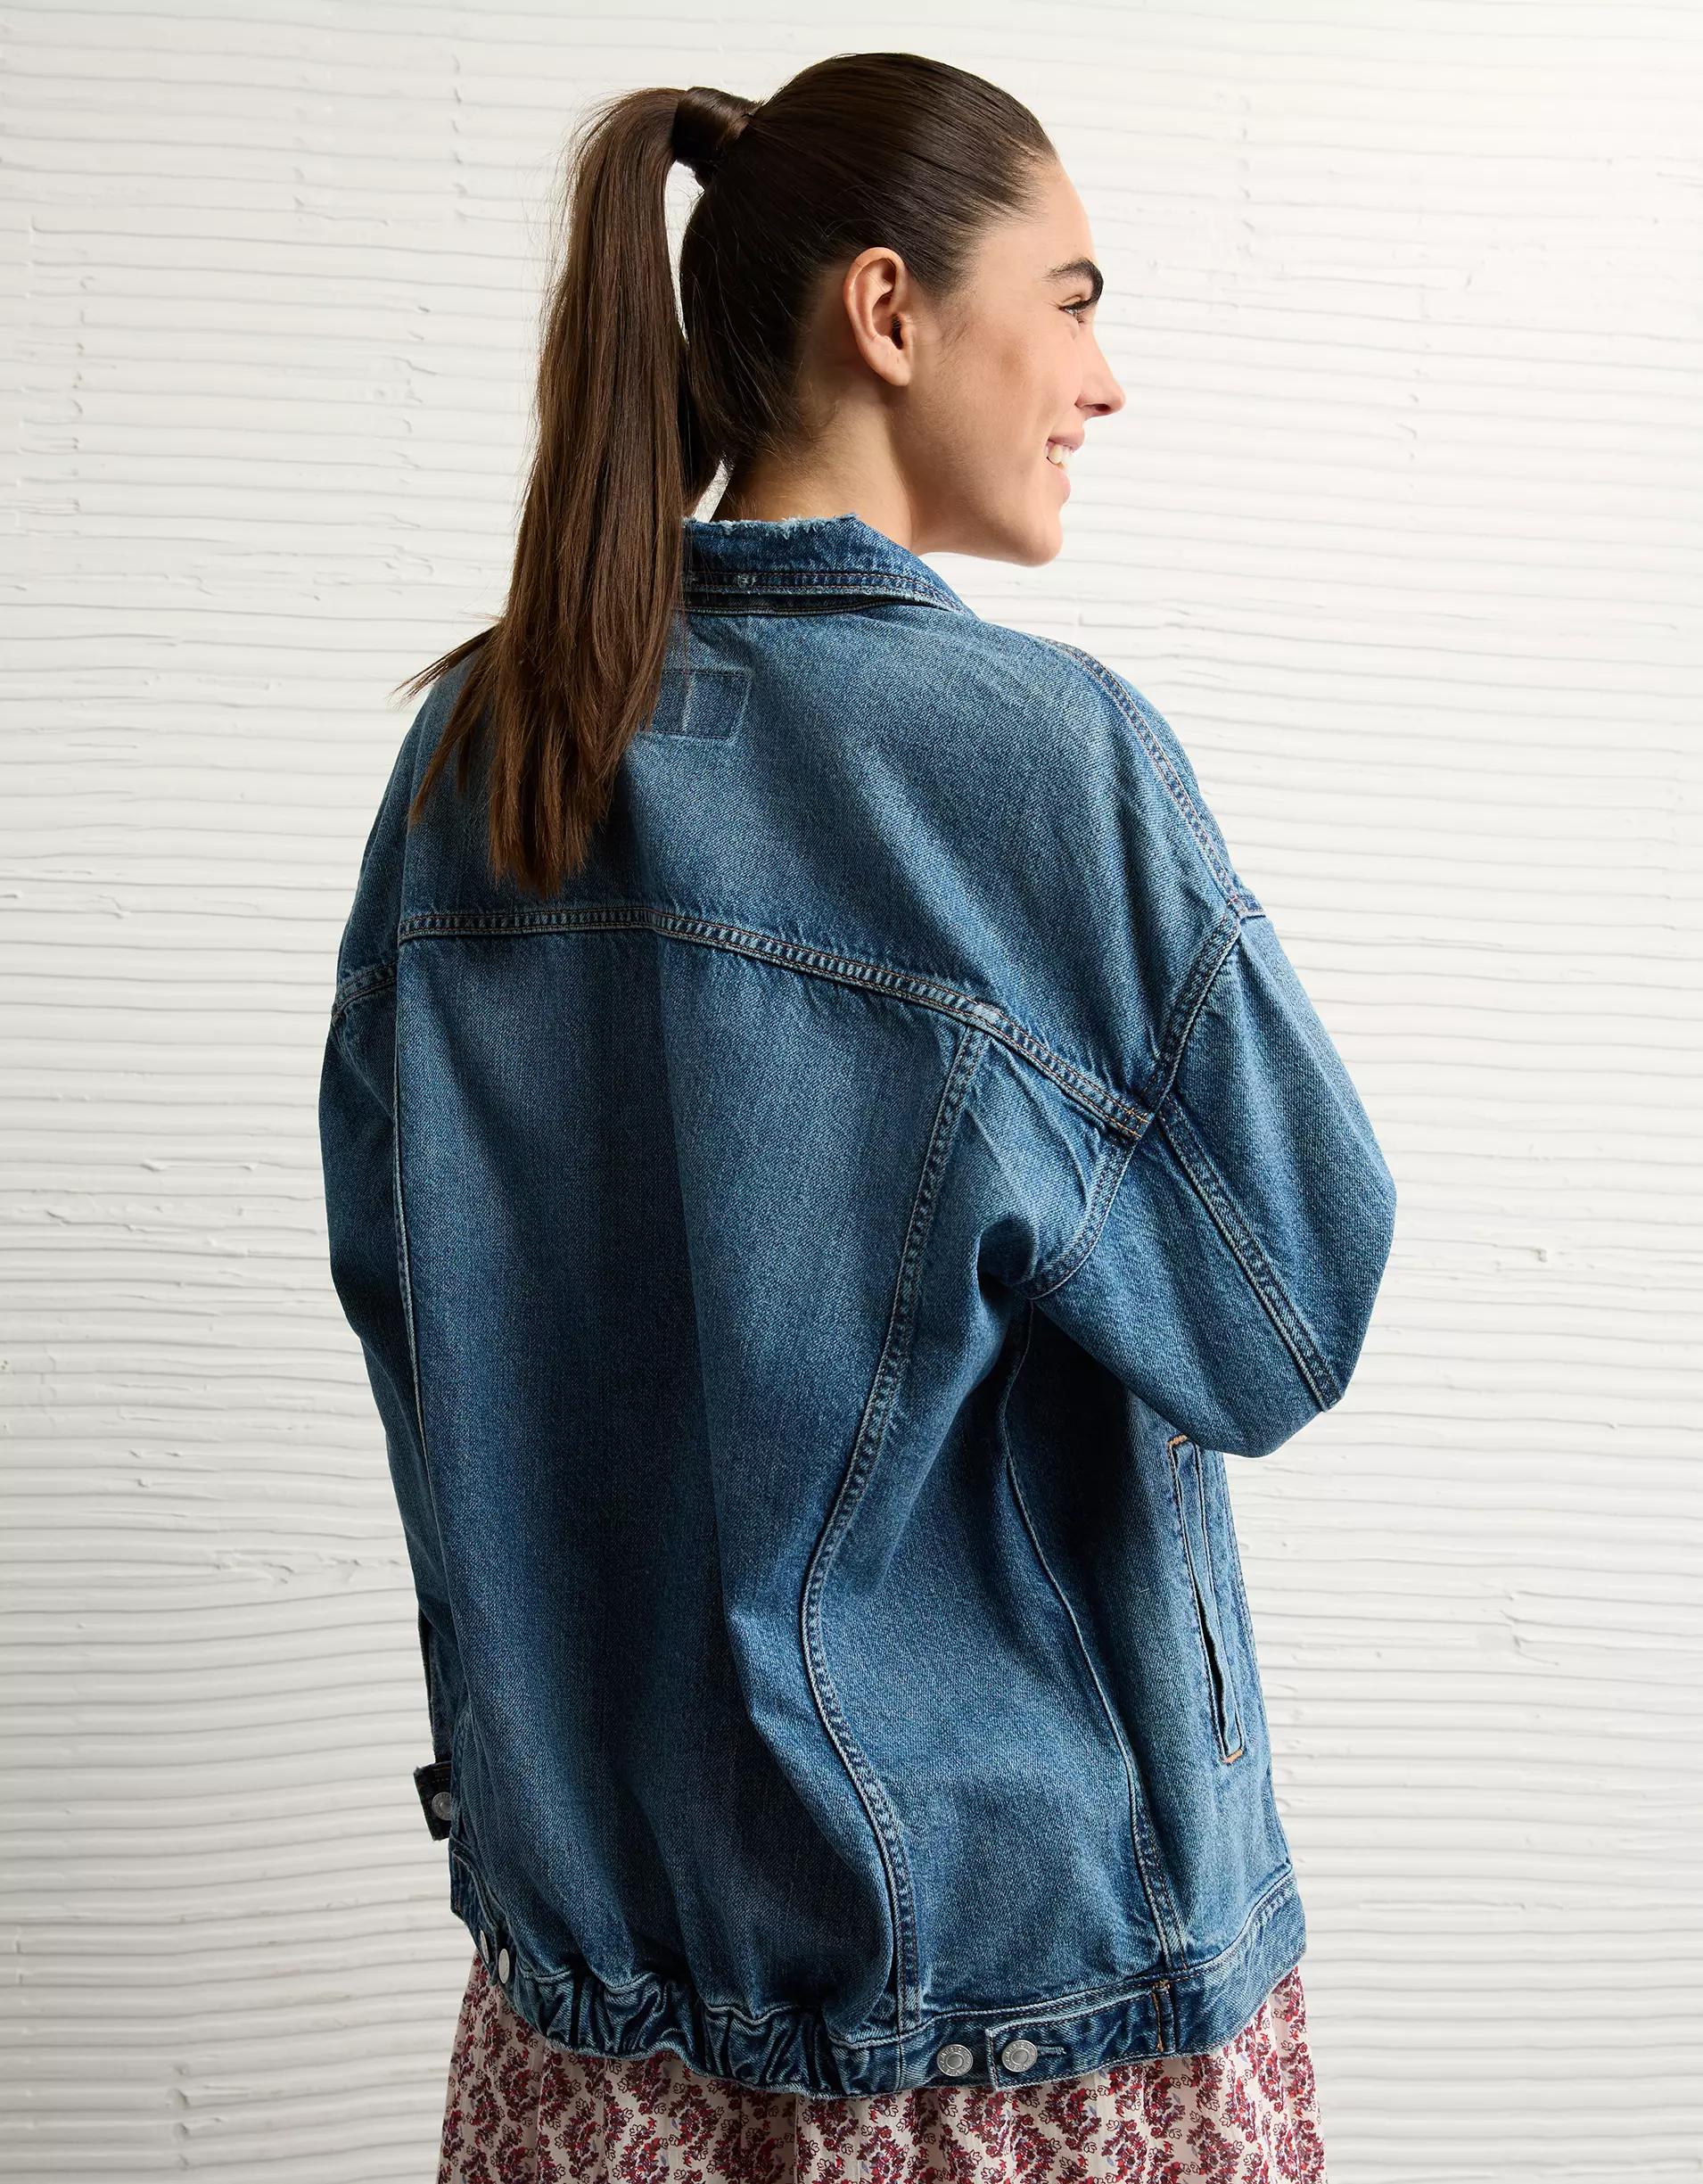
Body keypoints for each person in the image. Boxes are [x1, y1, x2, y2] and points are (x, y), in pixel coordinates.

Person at [317, 49, 1395, 2184]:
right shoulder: (1038, 765)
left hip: (597, 2006)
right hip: (1023, 2015)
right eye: (1070, 302)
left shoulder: (475, 759)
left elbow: (416, 1328)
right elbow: (1283, 1324)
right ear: (889, 312)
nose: (1103, 381)